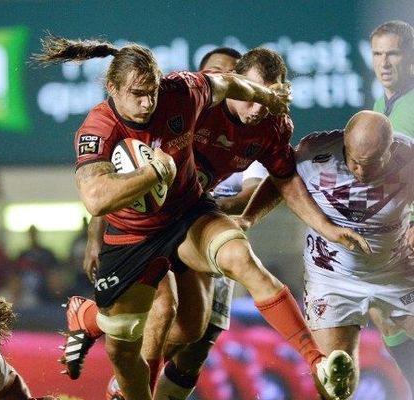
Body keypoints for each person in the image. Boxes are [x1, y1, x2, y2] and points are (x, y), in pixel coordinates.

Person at [33, 36, 366, 400]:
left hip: (189, 212)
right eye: (138, 94)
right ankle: (92, 319)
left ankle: (316, 360)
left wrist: (266, 97)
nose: (148, 104)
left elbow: (229, 90)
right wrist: (152, 175)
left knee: (219, 292)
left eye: (152, 93)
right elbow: (96, 199)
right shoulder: (98, 127)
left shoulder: (184, 92)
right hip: (133, 236)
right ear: (112, 88)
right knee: (126, 344)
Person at [241, 110, 414, 396]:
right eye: (355, 162)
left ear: (390, 149)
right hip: (332, 279)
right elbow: (281, 181)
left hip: (396, 271)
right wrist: (249, 218)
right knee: (334, 379)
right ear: (344, 143)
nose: (361, 172)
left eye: (370, 165)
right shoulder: (315, 154)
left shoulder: (408, 158)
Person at [369, 20, 414, 390]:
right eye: (378, 54)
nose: (384, 63)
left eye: (393, 53)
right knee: (385, 314)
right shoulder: (380, 106)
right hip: (391, 234)